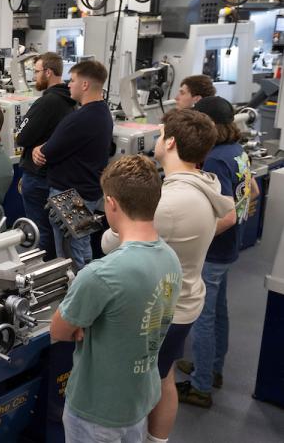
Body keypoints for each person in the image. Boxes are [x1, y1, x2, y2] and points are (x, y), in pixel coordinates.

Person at [101, 109, 233, 442]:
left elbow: (112, 244)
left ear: (171, 142)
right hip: (185, 299)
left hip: (160, 311)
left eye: (160, 135)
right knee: (163, 376)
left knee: (141, 384)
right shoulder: (204, 185)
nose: (158, 140)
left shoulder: (171, 203)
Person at [51, 155, 182, 443]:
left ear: (111, 204)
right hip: (138, 401)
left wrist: (82, 323)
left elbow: (58, 331)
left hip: (96, 410)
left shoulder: (101, 274)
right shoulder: (171, 259)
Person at [177, 96, 260, 410]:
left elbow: (226, 215)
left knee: (203, 317)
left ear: (210, 125)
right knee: (219, 312)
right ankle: (212, 368)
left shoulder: (214, 160)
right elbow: (252, 192)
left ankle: (200, 386)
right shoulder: (237, 152)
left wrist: (195, 235)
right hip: (229, 249)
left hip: (212, 252)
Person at [33, 60, 113, 270]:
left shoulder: (81, 118)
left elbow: (48, 152)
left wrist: (38, 149)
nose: (69, 84)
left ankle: (76, 288)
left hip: (69, 196)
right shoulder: (102, 113)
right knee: (82, 246)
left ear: (85, 85)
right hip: (87, 192)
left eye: (73, 80)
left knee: (70, 256)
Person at [15, 52, 76, 260]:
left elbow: (21, 136)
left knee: (39, 231)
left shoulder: (46, 102)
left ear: (48, 72)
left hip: (38, 177)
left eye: (36, 71)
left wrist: (33, 146)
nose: (34, 77)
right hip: (59, 177)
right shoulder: (71, 101)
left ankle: (41, 271)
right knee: (54, 233)